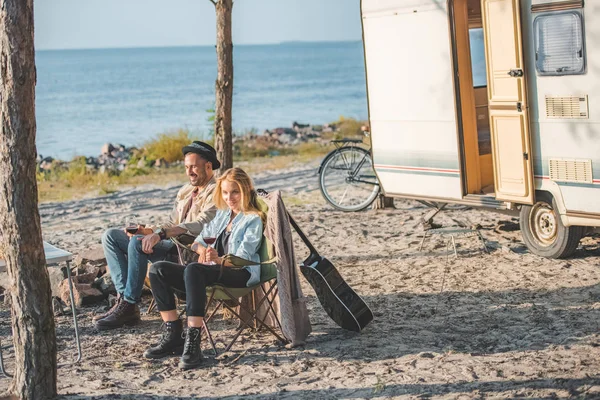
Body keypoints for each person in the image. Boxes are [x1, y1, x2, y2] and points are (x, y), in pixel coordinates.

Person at [144, 167, 265, 370]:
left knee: (193, 270)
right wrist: (203, 251)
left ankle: (193, 342)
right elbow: (197, 242)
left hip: (239, 273)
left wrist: (217, 260)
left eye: (234, 192)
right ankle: (173, 334)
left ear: (245, 190)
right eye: (225, 192)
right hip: (211, 270)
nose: (229, 198)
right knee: (158, 269)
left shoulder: (252, 219)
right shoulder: (223, 215)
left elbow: (243, 258)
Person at [95, 141, 220, 330]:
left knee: (138, 244)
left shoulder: (217, 192)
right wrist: (148, 230)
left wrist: (159, 235)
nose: (189, 172)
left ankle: (129, 303)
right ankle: (124, 301)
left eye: (194, 167)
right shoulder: (186, 191)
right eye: (186, 167)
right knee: (111, 236)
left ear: (208, 166)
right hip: (170, 245)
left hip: (189, 252)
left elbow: (198, 225)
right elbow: (171, 223)